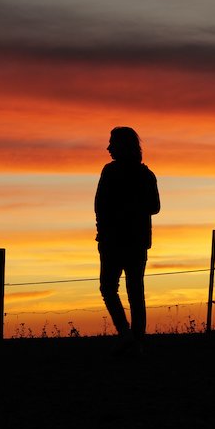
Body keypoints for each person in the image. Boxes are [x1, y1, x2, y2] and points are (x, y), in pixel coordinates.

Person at [94, 126, 160, 346]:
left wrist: (104, 232)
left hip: (116, 241)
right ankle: (134, 340)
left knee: (110, 288)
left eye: (112, 143)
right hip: (134, 241)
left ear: (122, 146)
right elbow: (154, 207)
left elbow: (100, 206)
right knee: (134, 291)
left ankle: (127, 336)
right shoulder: (146, 174)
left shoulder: (112, 172)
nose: (108, 147)